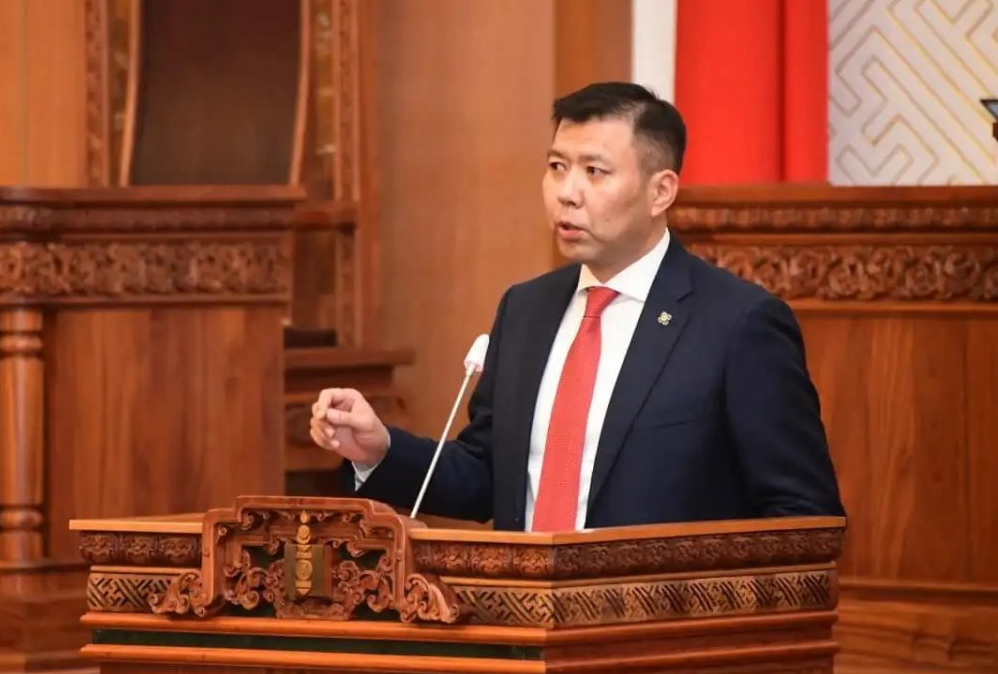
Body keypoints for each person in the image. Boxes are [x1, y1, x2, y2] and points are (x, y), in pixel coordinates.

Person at [309, 82, 844, 531]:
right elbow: (490, 477)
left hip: (661, 621)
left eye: (595, 172)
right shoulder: (525, 309)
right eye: (557, 166)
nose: (567, 193)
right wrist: (379, 449)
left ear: (660, 191)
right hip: (518, 613)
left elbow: (804, 516)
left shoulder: (738, 324)